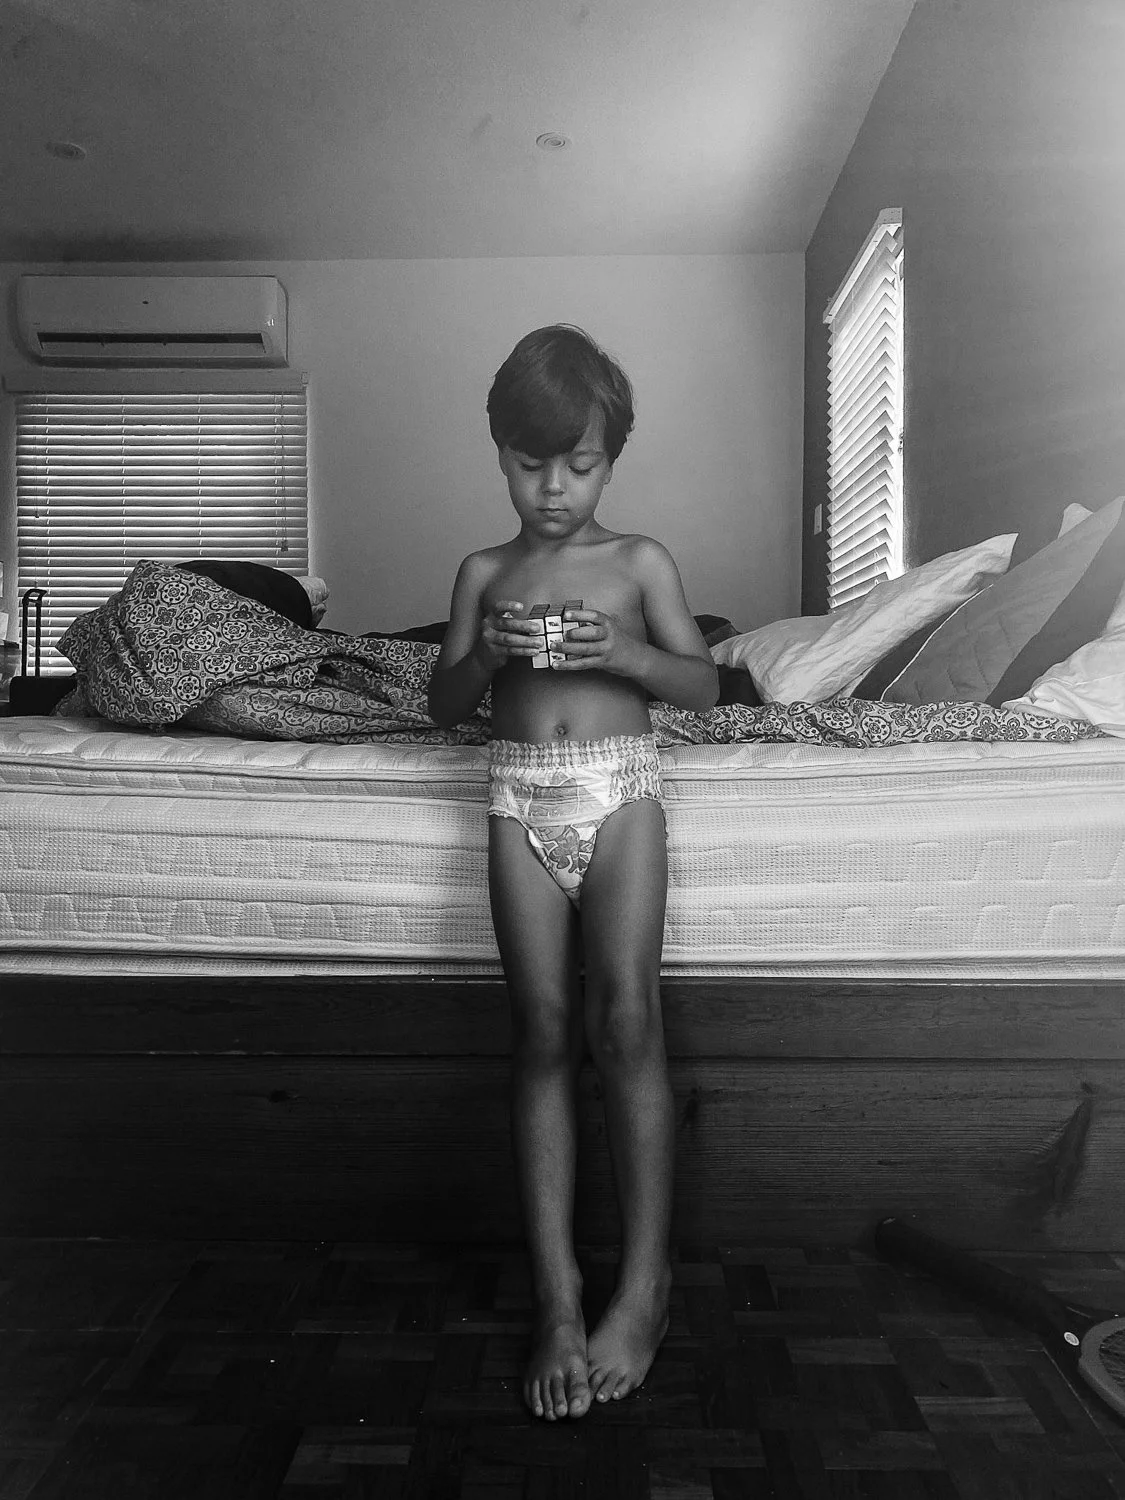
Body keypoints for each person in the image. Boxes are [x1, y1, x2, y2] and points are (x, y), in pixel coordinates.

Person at [427, 325, 719, 1421]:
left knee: (628, 1024)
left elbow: (701, 687)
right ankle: (558, 1297)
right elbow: (442, 708)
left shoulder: (640, 562)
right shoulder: (483, 572)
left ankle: (642, 1286)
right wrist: (489, 655)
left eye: (579, 464)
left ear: (613, 456)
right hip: (517, 794)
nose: (553, 488)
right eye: (528, 462)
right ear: (499, 451)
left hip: (621, 788)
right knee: (542, 1031)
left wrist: (624, 654)